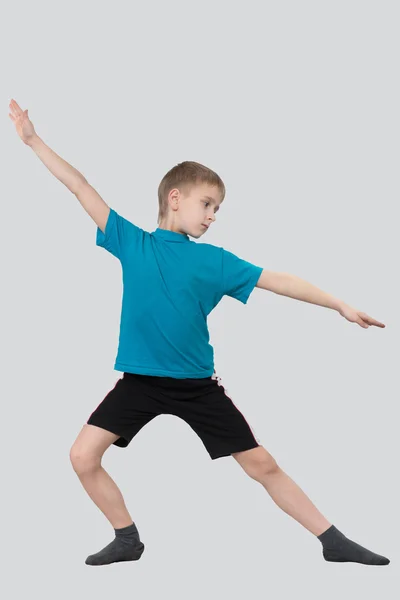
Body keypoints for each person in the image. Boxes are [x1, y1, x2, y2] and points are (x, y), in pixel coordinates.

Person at [9, 98, 390, 568]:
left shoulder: (215, 261)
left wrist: (339, 304)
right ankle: (127, 538)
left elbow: (279, 280)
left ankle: (333, 540)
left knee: (261, 464)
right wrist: (31, 141)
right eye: (207, 204)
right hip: (140, 383)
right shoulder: (133, 242)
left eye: (218, 209)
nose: (213, 215)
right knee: (82, 456)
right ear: (175, 198)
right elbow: (80, 186)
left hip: (196, 387)